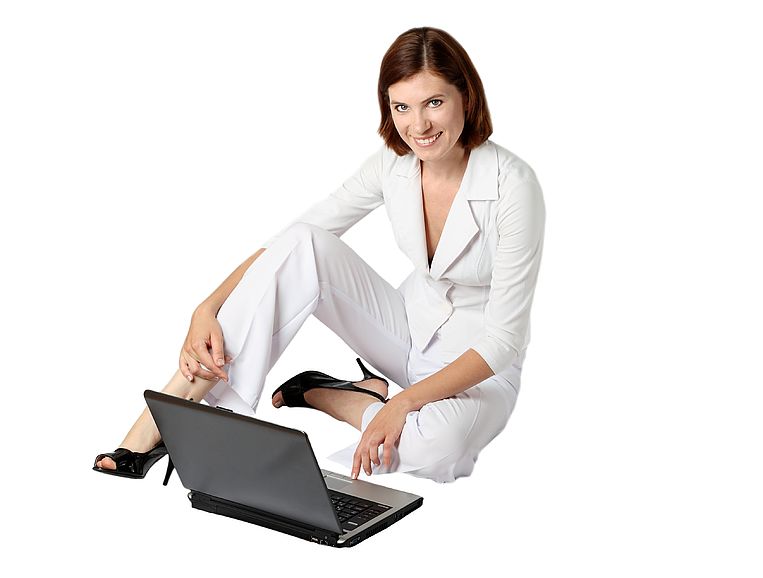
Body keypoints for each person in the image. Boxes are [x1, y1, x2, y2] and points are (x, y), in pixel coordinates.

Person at [93, 26, 545, 484]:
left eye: (434, 103)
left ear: (466, 97)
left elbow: (504, 340)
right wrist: (207, 306)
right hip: (408, 329)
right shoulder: (393, 163)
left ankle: (338, 396)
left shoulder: (514, 187)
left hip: (480, 366)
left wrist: (402, 404)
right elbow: (291, 243)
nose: (418, 126)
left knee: (436, 449)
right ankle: (163, 418)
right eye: (401, 107)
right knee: (307, 241)